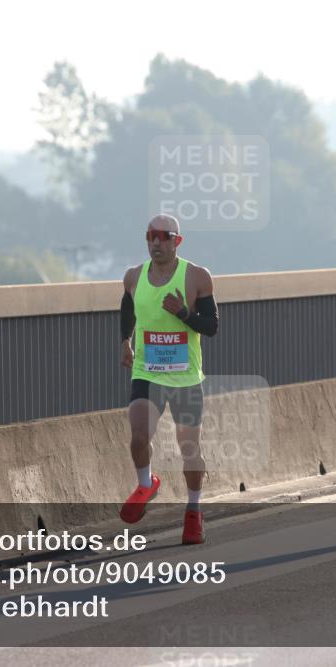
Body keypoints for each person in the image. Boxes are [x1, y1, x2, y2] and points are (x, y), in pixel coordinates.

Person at [119, 214, 218, 544]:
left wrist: (182, 313)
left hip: (185, 376)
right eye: (150, 236)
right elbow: (128, 308)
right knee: (138, 434)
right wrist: (125, 341)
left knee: (189, 448)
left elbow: (211, 326)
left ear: (177, 241)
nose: (155, 243)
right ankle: (147, 484)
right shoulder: (134, 276)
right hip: (147, 372)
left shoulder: (197, 277)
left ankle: (194, 511)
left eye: (163, 236)